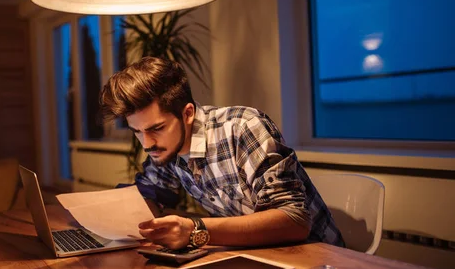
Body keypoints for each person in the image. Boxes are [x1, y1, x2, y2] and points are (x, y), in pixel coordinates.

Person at [99, 57, 344, 250]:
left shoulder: (243, 127)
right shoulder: (165, 147)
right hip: (252, 254)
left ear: (187, 114)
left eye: (157, 128)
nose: (147, 143)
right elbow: (150, 193)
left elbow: (294, 221)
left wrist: (195, 229)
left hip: (317, 256)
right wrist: (118, 213)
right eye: (137, 132)